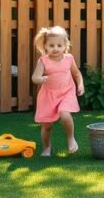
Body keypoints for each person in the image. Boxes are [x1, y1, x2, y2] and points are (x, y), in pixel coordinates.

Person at [32, 26, 84, 156]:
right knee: (47, 126)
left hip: (66, 92)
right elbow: (35, 77)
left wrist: (80, 85)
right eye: (51, 45)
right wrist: (40, 78)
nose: (55, 48)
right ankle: (46, 147)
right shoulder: (43, 61)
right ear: (45, 46)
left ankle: (71, 138)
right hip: (48, 95)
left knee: (65, 114)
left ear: (65, 45)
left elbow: (77, 74)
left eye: (59, 45)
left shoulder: (69, 59)